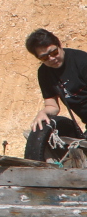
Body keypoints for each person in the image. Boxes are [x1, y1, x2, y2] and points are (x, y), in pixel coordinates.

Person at [22, 29, 87, 161]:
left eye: (54, 52)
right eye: (45, 57)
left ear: (59, 45)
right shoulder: (44, 73)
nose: (52, 58)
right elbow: (52, 105)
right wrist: (44, 113)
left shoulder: (82, 61)